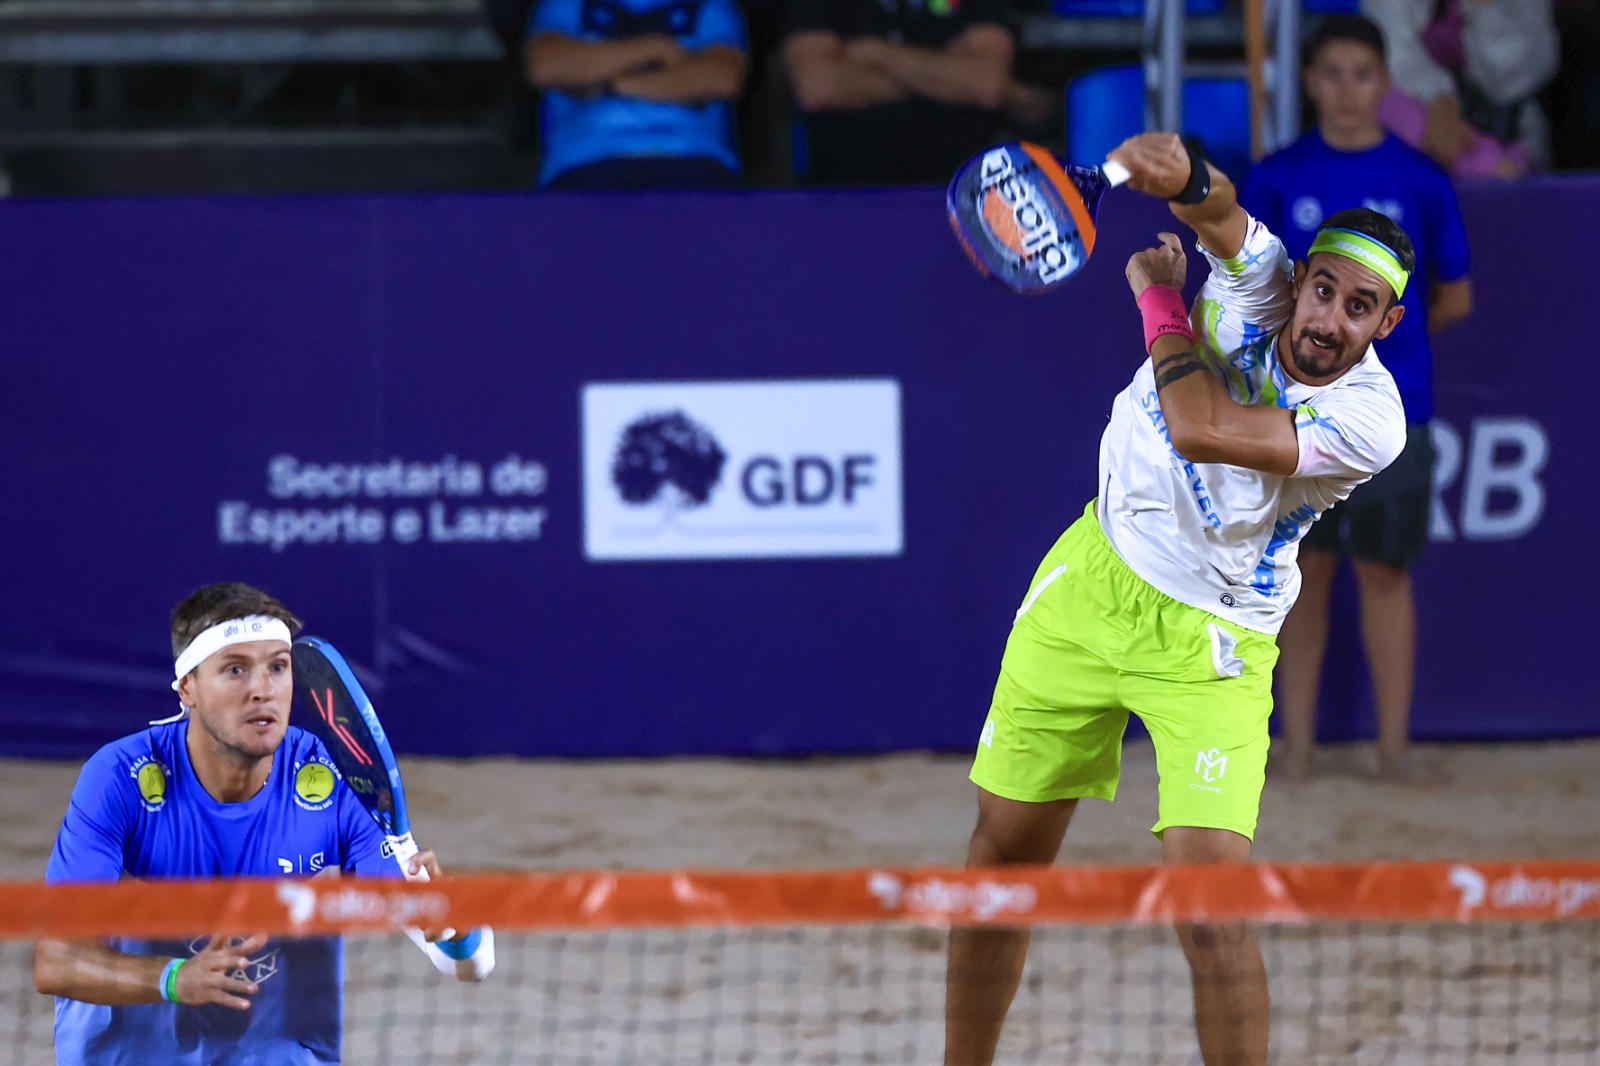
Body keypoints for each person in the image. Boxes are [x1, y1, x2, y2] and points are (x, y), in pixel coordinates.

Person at [944, 132, 1412, 1066]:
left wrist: (1158, 296)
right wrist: (1176, 171)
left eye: (1358, 308)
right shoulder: (1260, 284)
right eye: (1324, 290)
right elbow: (1219, 209)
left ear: (1385, 324)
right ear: (1302, 279)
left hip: (1215, 642)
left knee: (1210, 914)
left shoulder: (1372, 419)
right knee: (1000, 861)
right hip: (1091, 585)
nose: (1329, 319)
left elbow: (1200, 427)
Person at [33, 582, 493, 1065]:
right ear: (187, 688)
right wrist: (174, 979)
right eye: (236, 669)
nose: (263, 689)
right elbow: (56, 962)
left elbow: (467, 963)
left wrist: (455, 930)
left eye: (278, 666)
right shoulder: (119, 778)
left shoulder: (333, 777)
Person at [1240, 13, 1471, 784]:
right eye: (1331, 74)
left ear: (1385, 83)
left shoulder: (1421, 179)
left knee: (1385, 575)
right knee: (1300, 574)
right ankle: (1296, 750)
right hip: (1297, 412)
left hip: (1394, 416)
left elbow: (1454, 297)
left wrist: (1366, 355)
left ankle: (1393, 752)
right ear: (1309, 83)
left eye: (1362, 74)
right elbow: (1257, 294)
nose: (1346, 90)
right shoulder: (1276, 176)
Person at [782, 0, 1013, 185]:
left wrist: (875, 53)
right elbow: (816, 87)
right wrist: (942, 73)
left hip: (961, 193)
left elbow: (987, 85)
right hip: (842, 191)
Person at [523, 0, 747, 188]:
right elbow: (546, 66)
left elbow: (722, 77)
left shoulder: (711, 6)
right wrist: (657, 48)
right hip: (583, 162)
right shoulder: (565, 5)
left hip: (692, 159)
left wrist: (606, 83)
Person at [1363, 0, 1560, 177]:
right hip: (1419, 131)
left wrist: (1485, 10)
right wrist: (1440, 99)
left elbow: (1510, 84)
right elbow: (1392, 57)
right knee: (1378, 97)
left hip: (1508, 138)